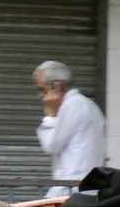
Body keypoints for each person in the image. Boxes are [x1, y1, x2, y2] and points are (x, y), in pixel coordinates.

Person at [32, 60, 106, 198]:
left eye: (42, 89)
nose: (40, 95)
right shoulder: (88, 105)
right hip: (85, 189)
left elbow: (51, 146)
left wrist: (49, 114)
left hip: (73, 192)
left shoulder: (72, 105)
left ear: (57, 86)